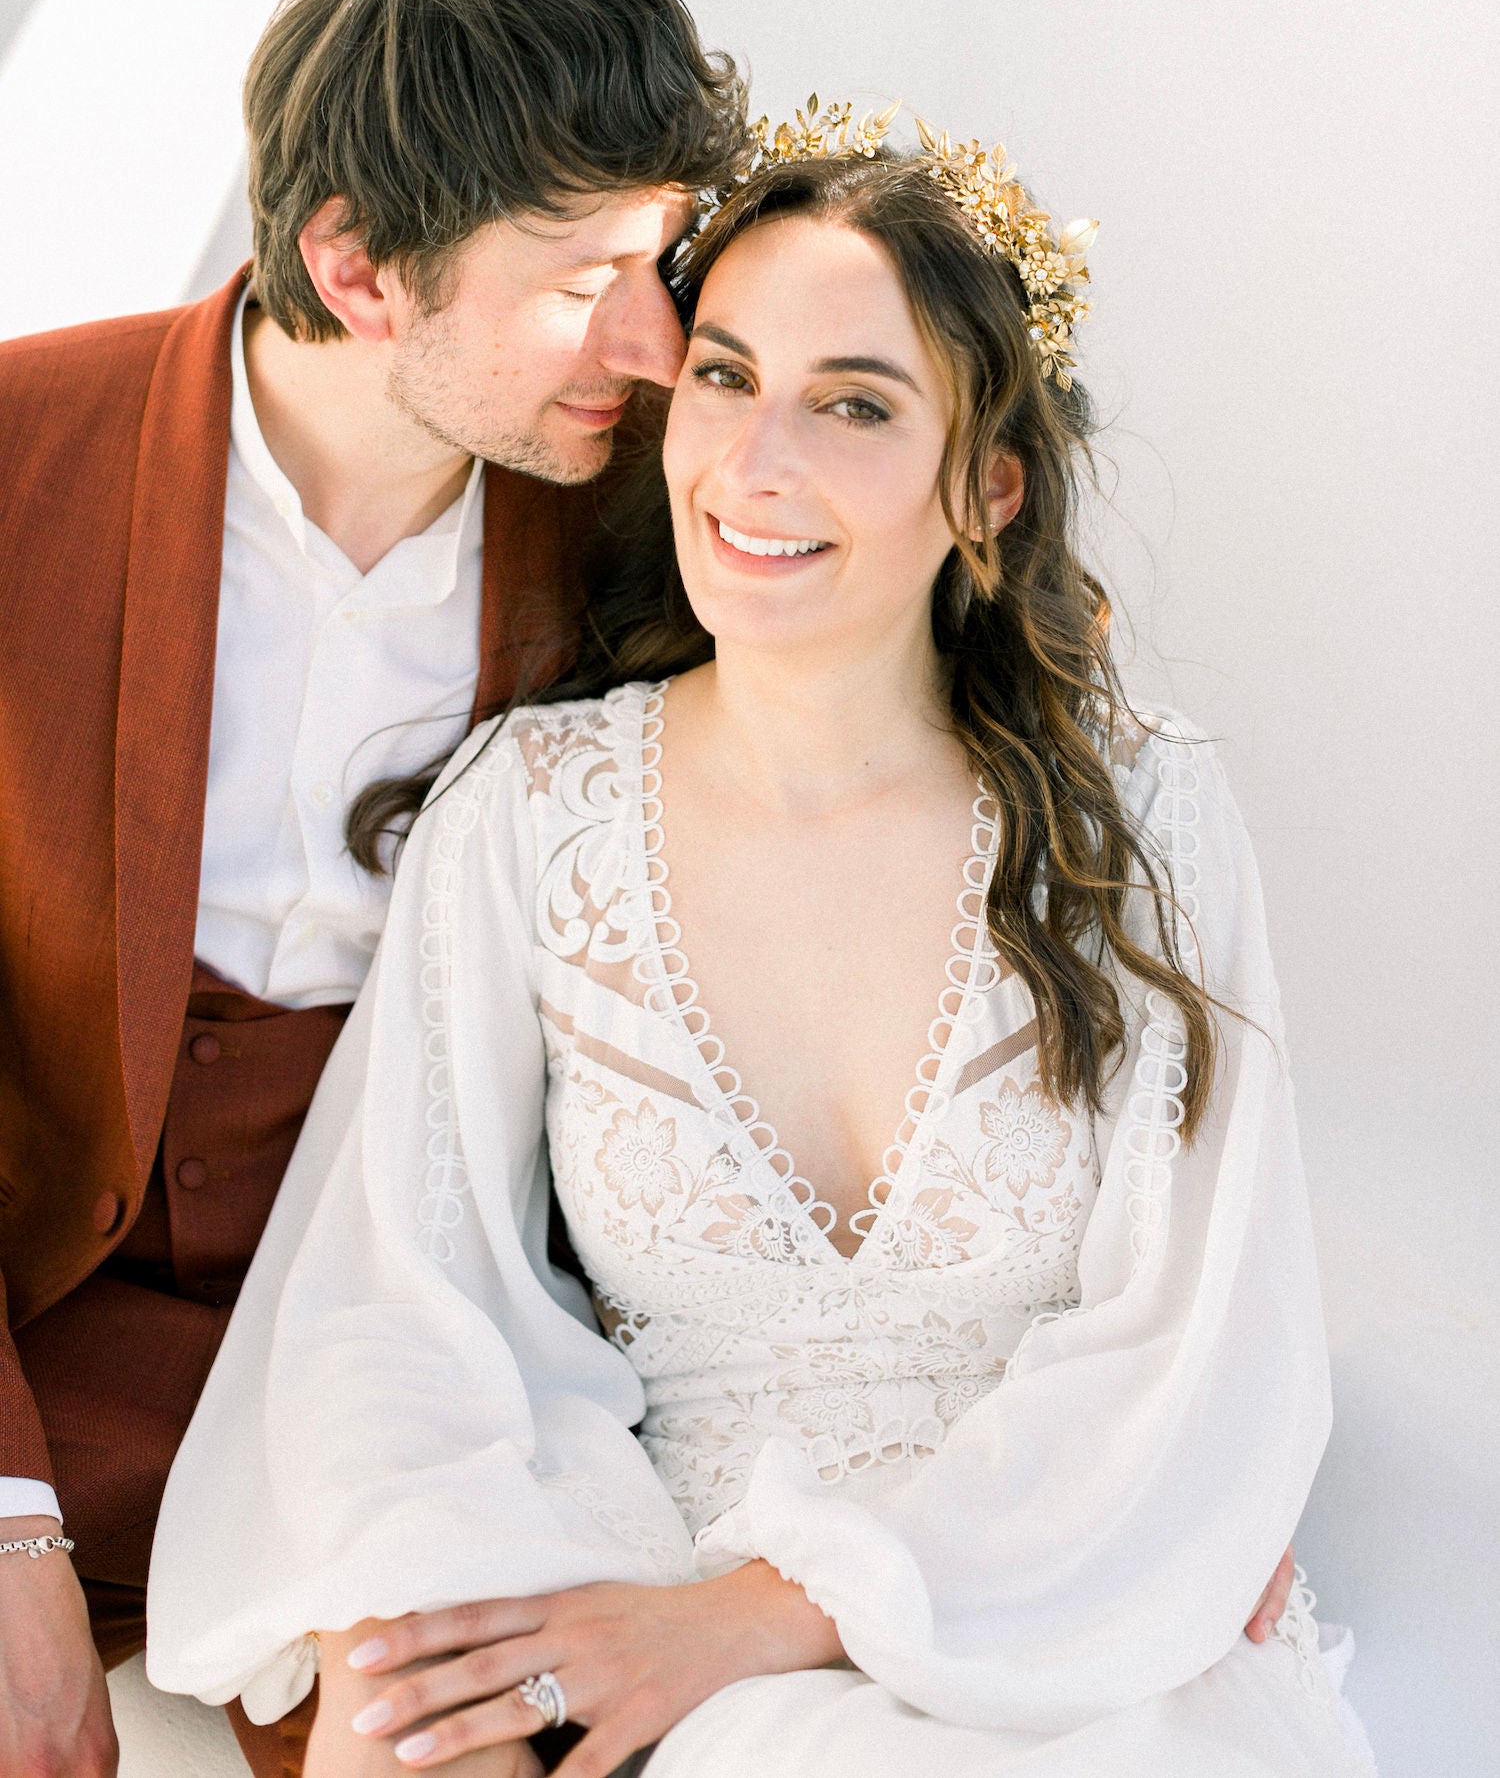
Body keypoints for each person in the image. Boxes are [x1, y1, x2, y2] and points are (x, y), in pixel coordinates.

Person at [147, 110, 1364, 1777]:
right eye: (721, 378)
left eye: (853, 404)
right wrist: (451, 1651)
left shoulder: (1141, 820)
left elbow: (1202, 1341)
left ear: (988, 483)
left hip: (1055, 1627)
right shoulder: (534, 812)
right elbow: (398, 1302)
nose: (756, 461)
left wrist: (756, 1618)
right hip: (647, 1603)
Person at [0, 0, 746, 1778]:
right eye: (589, 274)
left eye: (667, 264)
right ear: (357, 264)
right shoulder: (18, 457)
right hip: (40, 1325)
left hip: (423, 1338)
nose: (658, 346)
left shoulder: (659, 526)